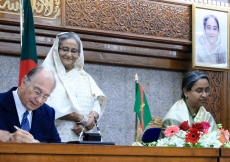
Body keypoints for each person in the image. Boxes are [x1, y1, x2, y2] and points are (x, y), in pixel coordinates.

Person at [42, 32, 106, 142]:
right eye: (65, 49)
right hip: (54, 136)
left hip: (81, 137)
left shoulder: (84, 76)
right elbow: (46, 105)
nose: (69, 54)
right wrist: (79, 118)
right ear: (57, 50)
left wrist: (89, 122)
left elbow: (98, 101)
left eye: (74, 51)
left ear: (78, 54)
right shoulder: (46, 74)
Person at [0, 65, 61, 143]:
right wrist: (9, 138)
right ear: (24, 82)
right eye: (37, 92)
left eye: (45, 96)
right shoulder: (2, 102)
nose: (39, 100)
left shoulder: (48, 113)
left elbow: (57, 148)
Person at [159, 71, 217, 139]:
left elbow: (215, 143)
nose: (204, 95)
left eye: (207, 90)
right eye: (199, 91)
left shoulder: (207, 117)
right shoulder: (173, 118)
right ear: (186, 92)